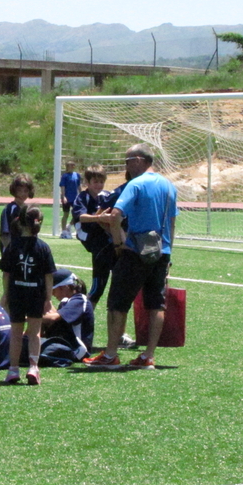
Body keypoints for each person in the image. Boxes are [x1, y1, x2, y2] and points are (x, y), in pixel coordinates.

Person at [85, 143, 179, 368]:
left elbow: (115, 215)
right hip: (161, 252)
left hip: (135, 251)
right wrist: (168, 251)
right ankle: (148, 356)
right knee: (156, 304)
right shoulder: (169, 186)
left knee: (117, 303)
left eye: (128, 161)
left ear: (139, 160)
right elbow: (173, 221)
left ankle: (110, 355)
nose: (126, 166)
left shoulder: (135, 185)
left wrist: (119, 243)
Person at [0, 204, 56, 385]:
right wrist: (48, 298)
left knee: (16, 332)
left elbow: (6, 274)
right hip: (35, 294)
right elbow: (48, 276)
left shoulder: (12, 246)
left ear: (20, 222)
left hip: (17, 293)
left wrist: (6, 294)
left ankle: (13, 369)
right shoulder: (43, 247)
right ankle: (33, 367)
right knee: (34, 332)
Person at [71, 164, 113, 306]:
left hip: (107, 239)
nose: (99, 185)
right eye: (95, 182)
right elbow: (81, 217)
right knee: (97, 288)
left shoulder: (107, 195)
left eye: (101, 182)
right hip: (90, 237)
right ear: (87, 183)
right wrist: (99, 218)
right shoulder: (83, 197)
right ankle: (85, 315)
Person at [39, 269, 94, 365]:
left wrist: (27, 318)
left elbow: (53, 318)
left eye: (53, 290)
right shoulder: (66, 302)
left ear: (65, 287)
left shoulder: (80, 300)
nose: (52, 294)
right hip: (65, 345)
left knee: (30, 347)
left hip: (77, 350)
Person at [0, 172, 34, 254]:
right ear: (14, 190)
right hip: (12, 253)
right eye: (19, 190)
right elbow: (4, 235)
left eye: (25, 191)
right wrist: (12, 251)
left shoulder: (29, 210)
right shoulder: (9, 209)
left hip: (25, 252)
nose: (23, 194)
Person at [59, 160, 81, 239]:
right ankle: (64, 231)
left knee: (77, 214)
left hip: (75, 198)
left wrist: (81, 195)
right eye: (70, 165)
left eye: (73, 165)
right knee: (66, 214)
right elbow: (63, 187)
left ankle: (70, 225)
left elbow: (79, 186)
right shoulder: (64, 176)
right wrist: (63, 196)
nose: (72, 167)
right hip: (67, 198)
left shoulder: (77, 175)